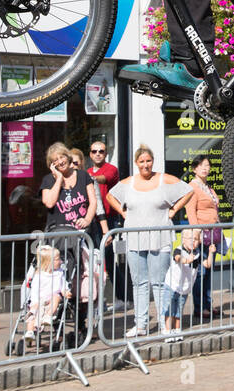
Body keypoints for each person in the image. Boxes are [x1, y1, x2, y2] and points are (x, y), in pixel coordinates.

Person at [107, 145, 190, 338]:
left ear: (153, 161)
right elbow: (111, 195)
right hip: (135, 237)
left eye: (148, 161)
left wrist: (174, 210)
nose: (145, 164)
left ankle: (164, 324)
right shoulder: (129, 183)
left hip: (160, 237)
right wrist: (123, 212)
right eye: (142, 161)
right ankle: (141, 324)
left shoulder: (163, 179)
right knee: (139, 283)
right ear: (136, 163)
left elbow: (187, 190)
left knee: (160, 283)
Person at [40, 142, 95, 333]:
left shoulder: (83, 176)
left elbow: (93, 201)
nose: (60, 161)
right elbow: (48, 202)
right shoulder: (48, 180)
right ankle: (56, 321)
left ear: (68, 156)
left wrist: (87, 219)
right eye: (55, 160)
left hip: (79, 236)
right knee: (57, 279)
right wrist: (57, 179)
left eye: (62, 157)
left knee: (77, 279)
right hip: (58, 237)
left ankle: (80, 323)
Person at [170, 155, 221, 321]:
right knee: (200, 271)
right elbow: (191, 211)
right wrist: (195, 233)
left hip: (211, 233)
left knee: (208, 269)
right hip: (201, 234)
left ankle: (207, 303)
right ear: (194, 169)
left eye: (207, 165)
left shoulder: (208, 187)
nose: (205, 168)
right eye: (200, 166)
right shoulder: (192, 187)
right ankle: (200, 306)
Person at [87, 140, 126, 303]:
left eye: (101, 151)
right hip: (91, 220)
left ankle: (122, 297)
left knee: (108, 259)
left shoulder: (111, 169)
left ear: (106, 153)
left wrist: (86, 178)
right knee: (93, 260)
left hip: (107, 220)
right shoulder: (87, 171)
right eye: (94, 151)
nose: (97, 154)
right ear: (90, 154)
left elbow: (103, 179)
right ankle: (96, 299)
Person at [23, 245, 70, 343]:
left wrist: (65, 291)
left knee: (56, 297)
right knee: (33, 312)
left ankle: (48, 316)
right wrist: (35, 302)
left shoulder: (59, 273)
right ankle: (30, 331)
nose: (61, 261)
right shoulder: (39, 275)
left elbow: (63, 285)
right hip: (39, 300)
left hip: (52, 301)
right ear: (49, 262)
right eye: (57, 259)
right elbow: (35, 290)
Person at [162, 229, 201, 343]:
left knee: (179, 309)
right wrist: (186, 260)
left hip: (184, 287)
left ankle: (177, 330)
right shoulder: (178, 249)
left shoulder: (197, 253)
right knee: (169, 308)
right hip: (172, 284)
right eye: (189, 239)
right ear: (183, 239)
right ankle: (168, 330)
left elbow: (206, 264)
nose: (192, 241)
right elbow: (177, 258)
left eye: (196, 239)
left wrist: (211, 253)